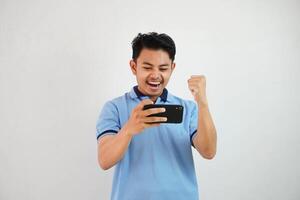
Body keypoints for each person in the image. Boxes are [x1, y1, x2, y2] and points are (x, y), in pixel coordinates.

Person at [96, 32, 217, 200]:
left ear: (172, 68)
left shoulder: (188, 109)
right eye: (147, 67)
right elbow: (104, 160)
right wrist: (129, 128)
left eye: (163, 68)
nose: (155, 75)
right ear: (133, 67)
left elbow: (209, 151)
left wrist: (202, 103)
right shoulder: (114, 108)